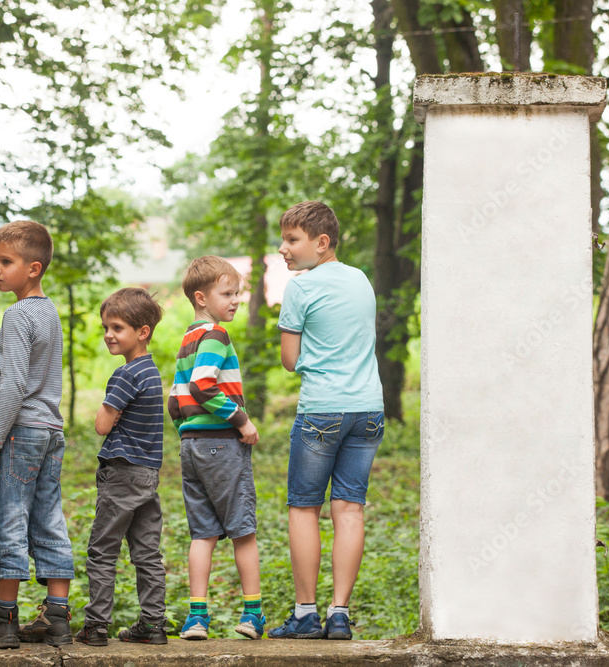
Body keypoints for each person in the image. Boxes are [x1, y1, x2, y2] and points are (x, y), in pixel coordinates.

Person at [267, 201, 384, 641]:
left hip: (322, 410)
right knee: (350, 509)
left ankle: (304, 614)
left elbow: (289, 360)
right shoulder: (361, 279)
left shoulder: (301, 288)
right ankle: (340, 614)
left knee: (304, 508)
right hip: (369, 409)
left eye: (292, 240)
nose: (283, 248)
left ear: (322, 242)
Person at [0, 220, 75, 649]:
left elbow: (15, 385)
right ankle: (57, 619)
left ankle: (5, 623)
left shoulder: (17, 314)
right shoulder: (49, 310)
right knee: (49, 519)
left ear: (33, 268)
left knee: (10, 520)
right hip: (50, 431)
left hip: (18, 433)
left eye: (6, 261)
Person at [167, 256, 265, 641]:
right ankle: (253, 614)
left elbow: (175, 401)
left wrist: (186, 432)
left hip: (191, 447)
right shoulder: (216, 336)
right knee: (243, 531)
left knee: (202, 534)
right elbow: (202, 387)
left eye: (237, 292)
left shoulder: (187, 341)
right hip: (222, 445)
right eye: (228, 293)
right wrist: (241, 420)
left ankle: (196, 618)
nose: (236, 300)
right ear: (201, 297)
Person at [77, 288, 167, 647]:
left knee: (102, 550)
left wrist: (108, 417)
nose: (109, 335)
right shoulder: (152, 371)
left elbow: (102, 424)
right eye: (105, 327)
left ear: (142, 332)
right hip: (147, 475)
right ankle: (153, 624)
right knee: (147, 553)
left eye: (117, 327)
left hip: (121, 474)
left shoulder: (126, 374)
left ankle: (96, 626)